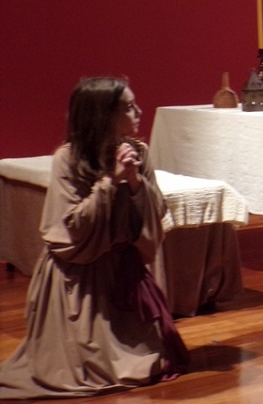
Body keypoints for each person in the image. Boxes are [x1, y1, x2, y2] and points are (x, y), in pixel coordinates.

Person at [0, 77, 189, 399]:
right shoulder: (68, 158)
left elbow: (156, 211)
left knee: (153, 358)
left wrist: (135, 183)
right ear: (104, 115)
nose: (139, 111)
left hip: (122, 271)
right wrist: (110, 182)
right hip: (81, 276)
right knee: (86, 366)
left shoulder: (138, 152)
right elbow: (72, 226)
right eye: (128, 107)